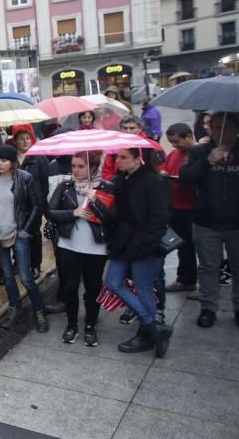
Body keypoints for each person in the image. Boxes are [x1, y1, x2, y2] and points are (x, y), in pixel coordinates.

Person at [92, 147, 173, 356]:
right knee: (112, 282)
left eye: (123, 157)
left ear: (138, 160)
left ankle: (148, 333)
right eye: (117, 156)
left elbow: (159, 220)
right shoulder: (122, 180)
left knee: (143, 287)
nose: (118, 161)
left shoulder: (154, 182)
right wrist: (95, 199)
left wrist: (143, 245)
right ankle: (154, 327)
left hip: (144, 246)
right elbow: (116, 215)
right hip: (124, 243)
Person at [180, 111, 239, 328]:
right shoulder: (199, 151)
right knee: (208, 268)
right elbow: (185, 177)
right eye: (215, 127)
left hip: (236, 223)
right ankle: (208, 308)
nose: (222, 131)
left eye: (229, 127)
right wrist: (208, 161)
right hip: (207, 221)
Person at [0, 144, 48, 332]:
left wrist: (25, 231)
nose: (0, 164)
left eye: (4, 160)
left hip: (19, 234)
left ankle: (39, 310)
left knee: (26, 277)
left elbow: (36, 206)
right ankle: (14, 308)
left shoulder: (25, 178)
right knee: (8, 276)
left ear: (12, 162)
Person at [47, 152, 110, 347]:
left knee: (93, 289)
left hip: (96, 248)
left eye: (81, 166)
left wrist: (96, 201)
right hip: (69, 245)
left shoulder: (106, 187)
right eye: (73, 166)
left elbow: (113, 217)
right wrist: (72, 213)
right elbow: (50, 211)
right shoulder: (65, 187)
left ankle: (90, 325)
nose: (75, 170)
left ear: (92, 167)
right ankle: (72, 324)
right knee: (70, 287)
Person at [162, 123, 198, 294]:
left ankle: (200, 282)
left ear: (189, 136)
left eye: (177, 141)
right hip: (175, 207)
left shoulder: (198, 154)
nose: (174, 146)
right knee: (181, 245)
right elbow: (165, 169)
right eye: (171, 142)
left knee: (197, 246)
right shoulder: (173, 155)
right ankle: (185, 279)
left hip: (193, 207)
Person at [14, 128, 49, 279]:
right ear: (15, 141)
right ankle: (19, 262)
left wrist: (41, 201)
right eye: (22, 138)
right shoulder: (12, 158)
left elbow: (45, 182)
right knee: (16, 233)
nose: (25, 141)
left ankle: (35, 265)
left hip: (35, 204)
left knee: (34, 234)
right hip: (16, 204)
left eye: (28, 138)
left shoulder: (38, 158)